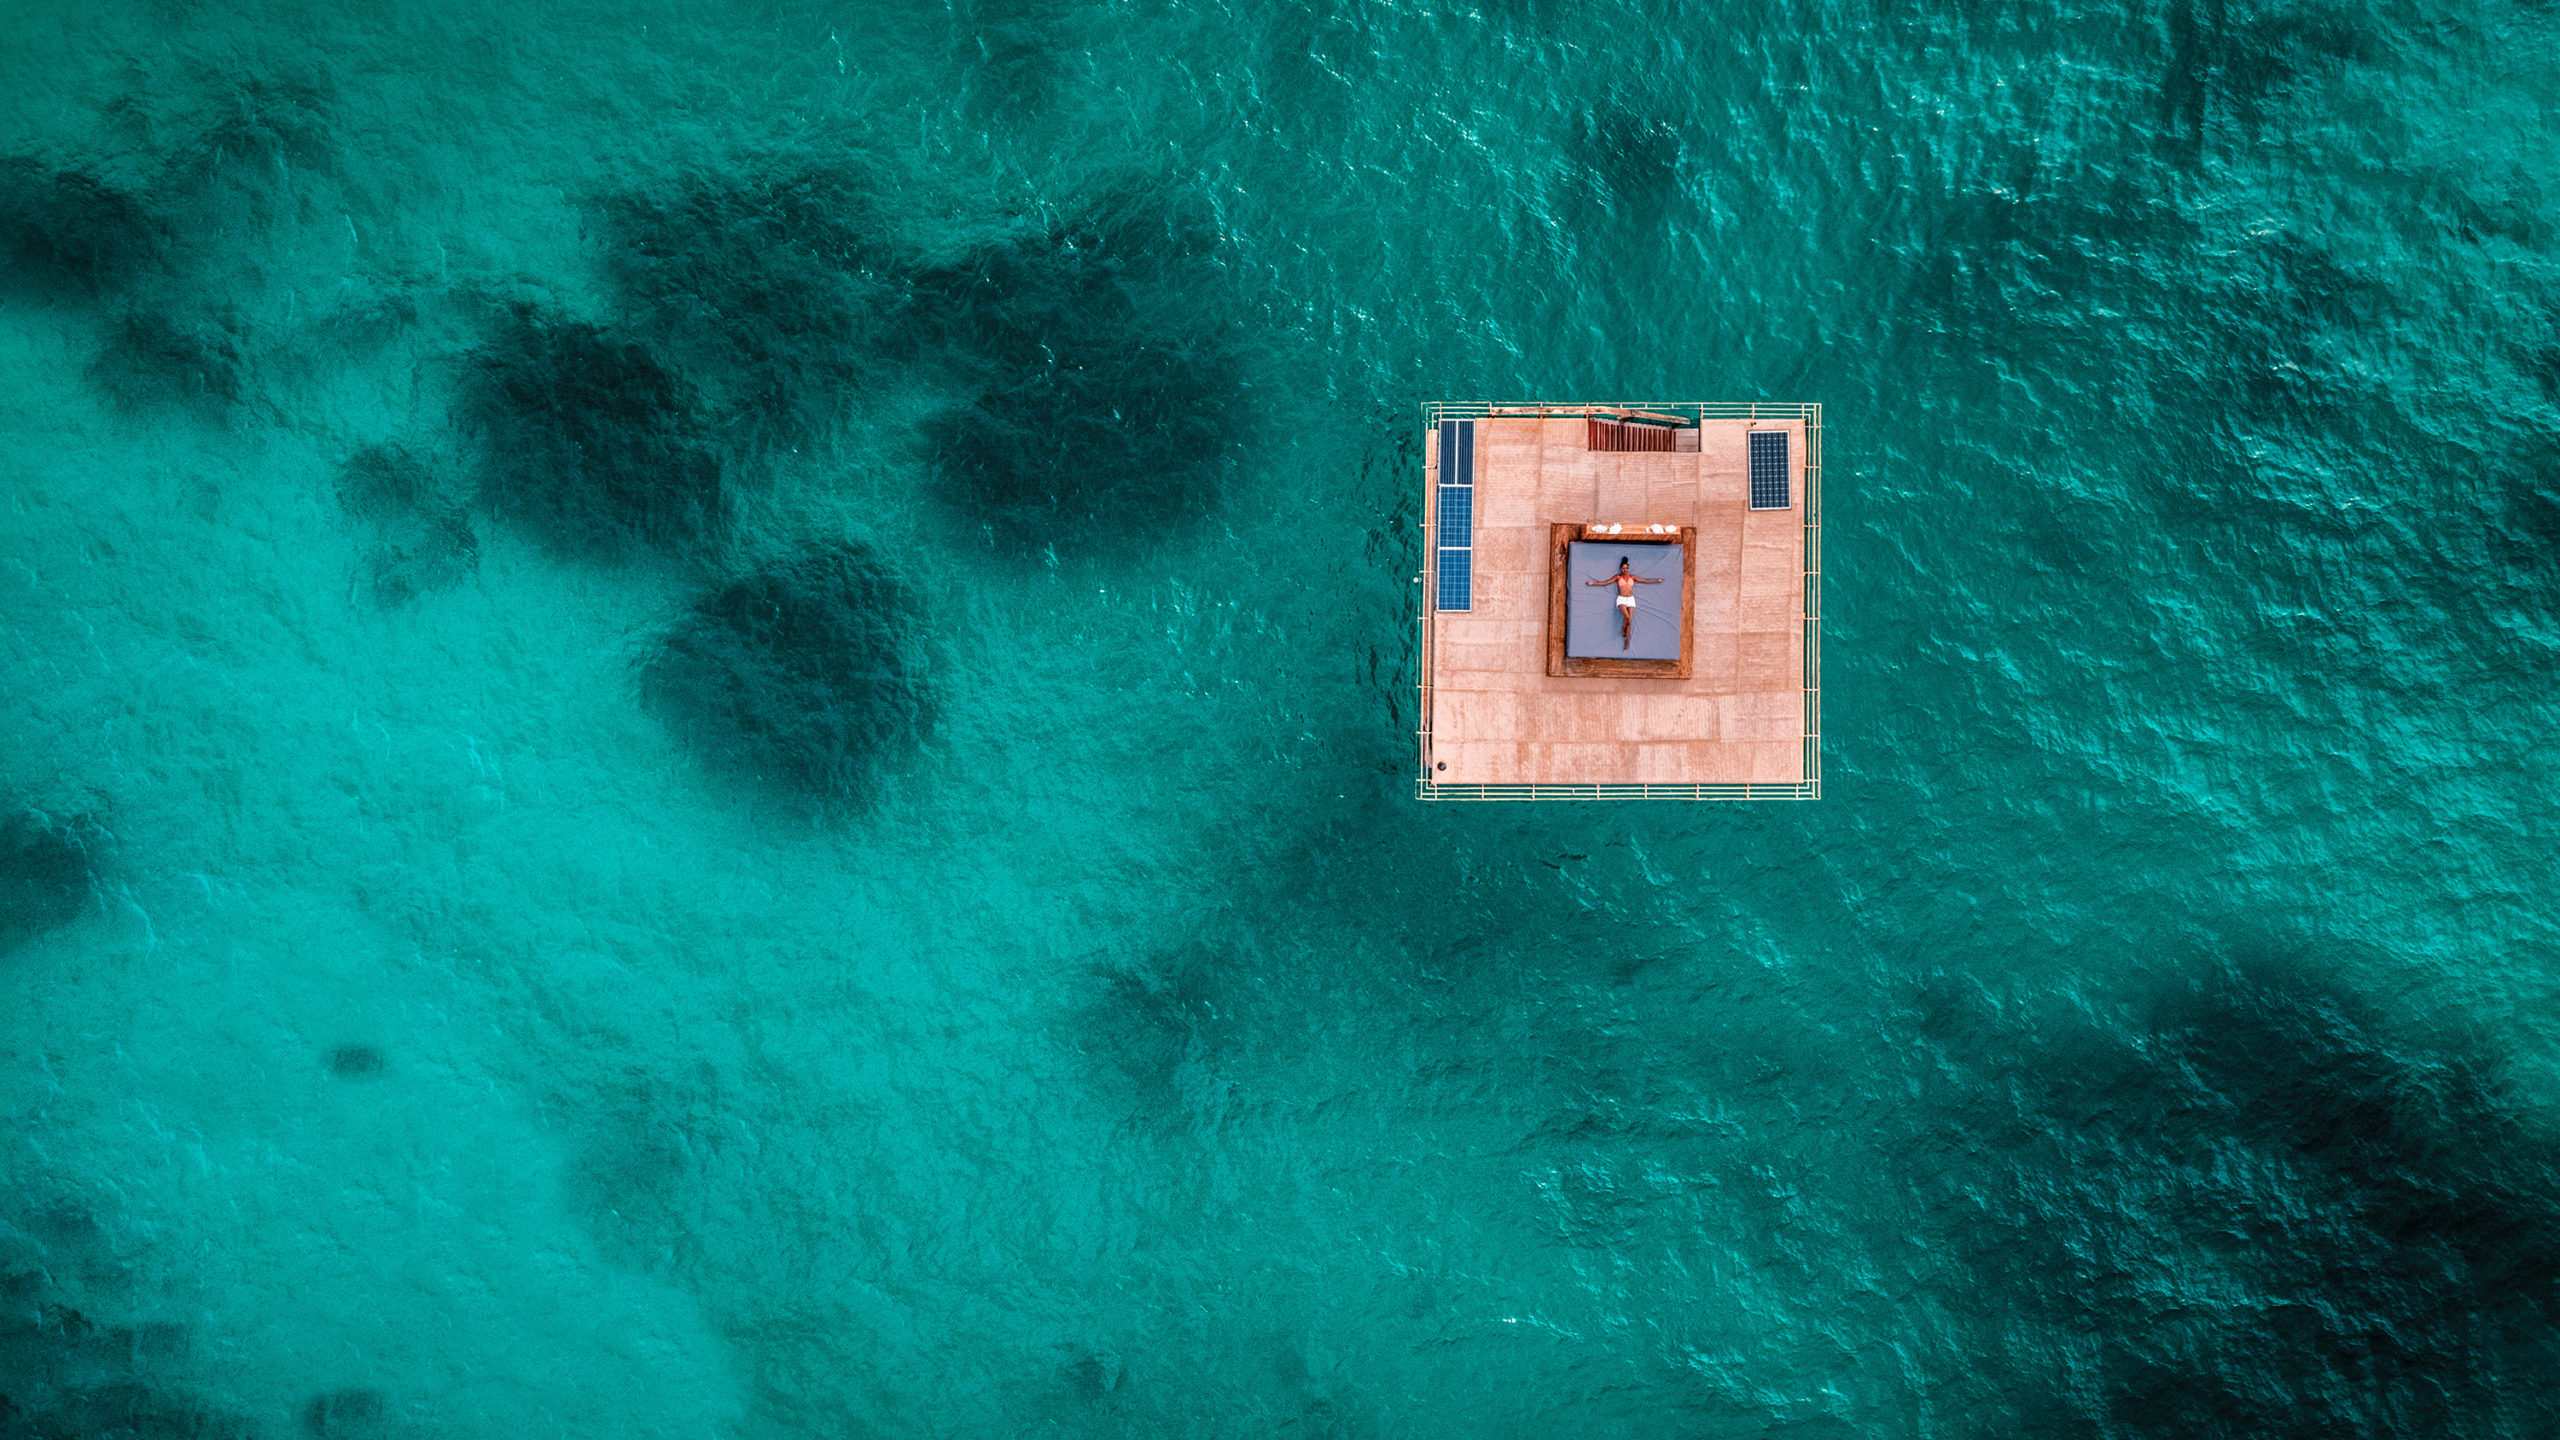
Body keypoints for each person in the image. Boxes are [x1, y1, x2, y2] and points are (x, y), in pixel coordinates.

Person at [1585, 556, 1661, 650]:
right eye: (1623, 568)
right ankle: (1623, 627)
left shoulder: (1632, 577)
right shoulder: (1618, 577)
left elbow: (1645, 581)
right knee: (1627, 617)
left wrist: (1657, 580)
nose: (1625, 570)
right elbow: (1606, 582)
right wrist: (1593, 583)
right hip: (1621, 599)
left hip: (1630, 599)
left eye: (1627, 568)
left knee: (1630, 621)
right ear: (1621, 569)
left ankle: (1627, 641)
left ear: (1628, 569)